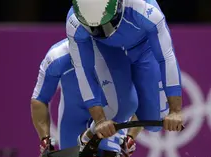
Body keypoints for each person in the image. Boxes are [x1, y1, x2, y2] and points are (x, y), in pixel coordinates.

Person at [66, 0, 183, 140]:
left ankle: (127, 139)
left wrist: (175, 111)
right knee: (120, 109)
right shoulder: (75, 24)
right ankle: (89, 135)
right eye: (94, 28)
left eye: (107, 24)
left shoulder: (145, 10)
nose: (103, 31)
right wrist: (99, 120)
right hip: (106, 48)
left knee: (155, 120)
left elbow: (166, 58)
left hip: (144, 46)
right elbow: (84, 70)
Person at [31, 38, 153, 153]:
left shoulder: (122, 51)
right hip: (73, 117)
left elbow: (145, 96)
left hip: (109, 116)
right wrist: (45, 139)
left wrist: (131, 136)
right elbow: (39, 99)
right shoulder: (56, 57)